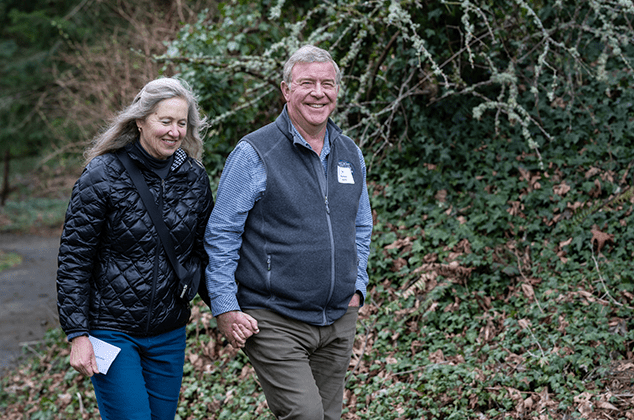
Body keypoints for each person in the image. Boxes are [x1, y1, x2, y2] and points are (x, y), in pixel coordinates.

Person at [204, 45, 373, 419]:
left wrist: (357, 285)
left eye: (327, 84)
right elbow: (221, 233)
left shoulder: (350, 153)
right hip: (274, 315)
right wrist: (225, 306)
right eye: (307, 83)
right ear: (286, 90)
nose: (318, 92)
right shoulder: (254, 152)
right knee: (305, 415)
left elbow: (360, 225)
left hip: (338, 317)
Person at [56, 77, 214, 420]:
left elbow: (202, 255)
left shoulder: (195, 178)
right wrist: (77, 333)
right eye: (165, 121)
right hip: (111, 331)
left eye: (182, 123)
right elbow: (74, 260)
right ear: (140, 121)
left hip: (169, 332)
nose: (174, 131)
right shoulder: (102, 175)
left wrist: (229, 309)